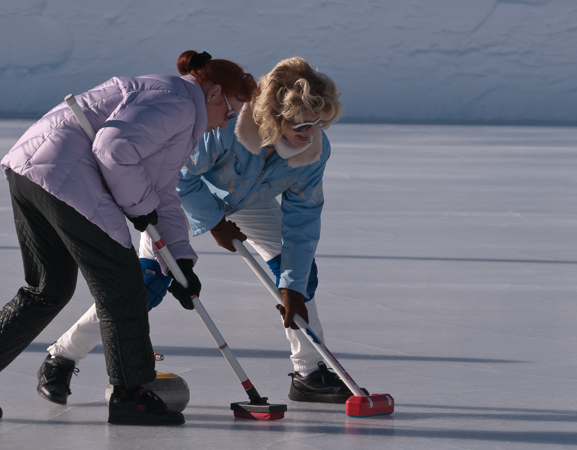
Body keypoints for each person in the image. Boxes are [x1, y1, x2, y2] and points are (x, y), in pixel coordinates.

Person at [0, 50, 257, 425]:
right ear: (215, 92)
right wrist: (138, 207)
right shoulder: (178, 102)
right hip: (67, 177)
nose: (225, 123)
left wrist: (180, 261)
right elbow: (113, 148)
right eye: (231, 111)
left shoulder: (177, 105)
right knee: (123, 289)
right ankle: (130, 396)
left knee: (47, 289)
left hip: (33, 171)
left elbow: (163, 190)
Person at [35, 57, 350, 405]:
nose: (311, 134)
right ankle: (61, 357)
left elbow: (303, 218)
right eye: (302, 125)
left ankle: (308, 372)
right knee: (149, 283)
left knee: (300, 279)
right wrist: (214, 222)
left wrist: (291, 286)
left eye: (320, 123)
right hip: (178, 197)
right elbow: (182, 177)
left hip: (250, 200)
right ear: (275, 119)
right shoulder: (226, 128)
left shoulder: (314, 153)